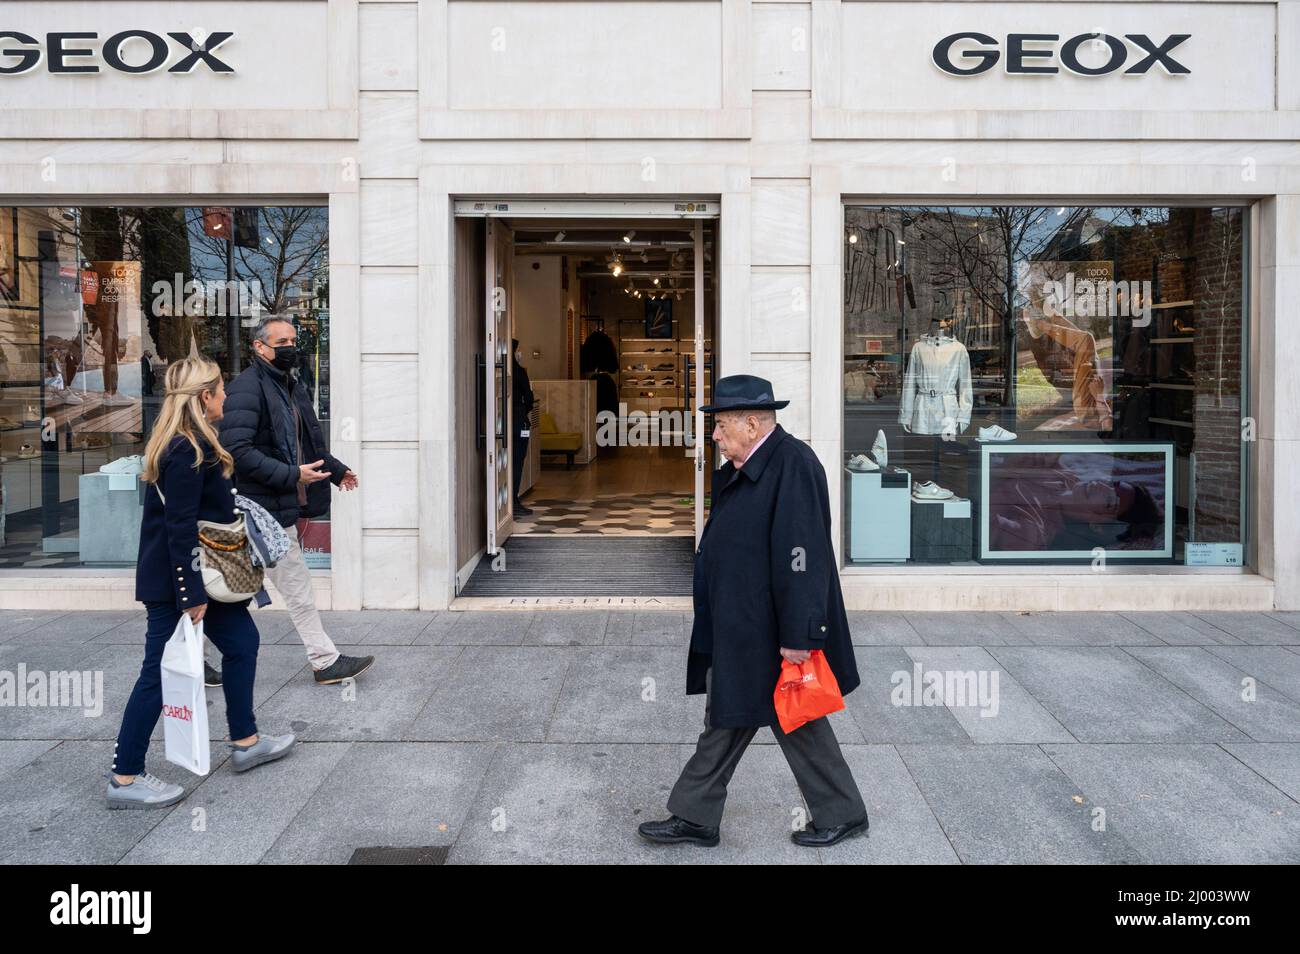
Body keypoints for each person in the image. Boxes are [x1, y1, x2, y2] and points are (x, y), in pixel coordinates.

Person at [638, 374, 869, 848]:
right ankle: (697, 815)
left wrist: (802, 634)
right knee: (731, 713)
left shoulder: (794, 464)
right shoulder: (742, 466)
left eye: (721, 426)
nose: (715, 436)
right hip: (743, 623)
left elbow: (805, 555)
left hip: (772, 627)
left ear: (751, 423)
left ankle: (842, 813)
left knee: (793, 716)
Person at [106, 352, 295, 809]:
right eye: (220, 389)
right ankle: (125, 778)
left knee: (242, 643)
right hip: (181, 583)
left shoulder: (191, 443)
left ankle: (246, 741)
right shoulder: (184, 451)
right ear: (203, 397)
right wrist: (191, 596)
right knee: (156, 673)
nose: (226, 396)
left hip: (204, 578)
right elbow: (179, 528)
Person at [218, 316, 374, 686]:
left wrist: (336, 471)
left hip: (273, 505)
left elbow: (310, 442)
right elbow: (236, 450)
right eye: (281, 342)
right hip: (259, 510)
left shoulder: (290, 385)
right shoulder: (246, 389)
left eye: (292, 339)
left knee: (230, 592)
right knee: (295, 587)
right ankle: (324, 660)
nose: (290, 347)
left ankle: (189, 660)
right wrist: (292, 475)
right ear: (259, 347)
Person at [511, 339, 536, 518]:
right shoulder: (518, 372)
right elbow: (529, 399)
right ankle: (513, 500)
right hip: (519, 420)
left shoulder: (496, 370)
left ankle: (506, 501)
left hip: (504, 421)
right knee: (517, 459)